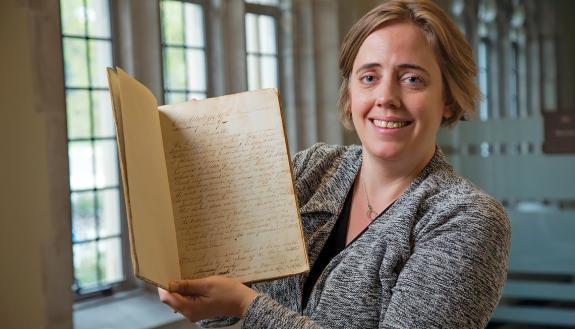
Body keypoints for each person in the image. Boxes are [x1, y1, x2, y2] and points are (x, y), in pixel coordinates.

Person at [158, 0, 511, 327]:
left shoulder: (468, 219)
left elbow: (245, 307)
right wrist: (192, 280)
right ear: (350, 93)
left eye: (412, 79)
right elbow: (227, 303)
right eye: (369, 77)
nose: (386, 97)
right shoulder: (312, 169)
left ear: (449, 99)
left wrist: (245, 306)